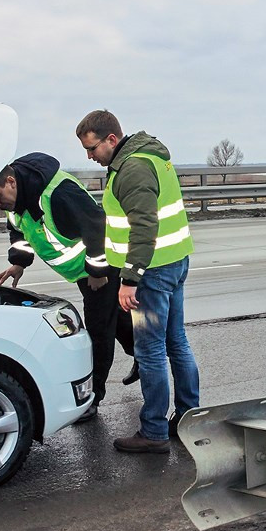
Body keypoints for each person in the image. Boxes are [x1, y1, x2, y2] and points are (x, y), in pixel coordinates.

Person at [76, 110, 199, 454]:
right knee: (176, 342)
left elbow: (145, 226)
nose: (90, 156)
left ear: (111, 140)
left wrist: (129, 279)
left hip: (151, 275)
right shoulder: (151, 157)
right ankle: (189, 417)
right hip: (173, 263)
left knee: (150, 350)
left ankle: (155, 431)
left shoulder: (132, 169)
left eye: (92, 148)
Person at [0, 152, 136, 423]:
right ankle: (145, 359)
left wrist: (98, 271)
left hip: (100, 267)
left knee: (99, 331)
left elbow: (97, 227)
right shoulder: (16, 201)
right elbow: (19, 230)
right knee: (117, 319)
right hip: (82, 271)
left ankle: (93, 398)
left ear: (10, 181)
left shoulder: (58, 194)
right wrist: (19, 263)